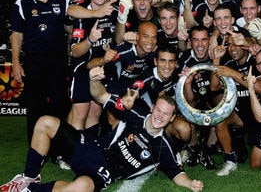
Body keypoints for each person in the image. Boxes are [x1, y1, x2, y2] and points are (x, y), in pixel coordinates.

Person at [0, 67, 204, 192]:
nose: (160, 116)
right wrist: (94, 80)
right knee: (45, 122)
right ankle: (29, 176)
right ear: (152, 108)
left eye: (165, 114)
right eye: (158, 110)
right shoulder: (134, 115)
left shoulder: (164, 146)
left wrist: (190, 183)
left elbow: (176, 173)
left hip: (105, 171)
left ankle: (29, 189)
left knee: (81, 188)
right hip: (90, 149)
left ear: (171, 118)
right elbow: (101, 96)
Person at [10, 0, 72, 143]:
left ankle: (59, 147)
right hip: (34, 62)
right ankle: (36, 145)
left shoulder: (63, 0)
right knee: (35, 105)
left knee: (59, 105)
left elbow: (70, 28)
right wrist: (15, 63)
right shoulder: (22, 3)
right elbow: (16, 34)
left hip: (58, 62)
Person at [210, 34, 261, 176]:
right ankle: (230, 161)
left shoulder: (255, 61)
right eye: (229, 45)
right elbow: (213, 87)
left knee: (256, 165)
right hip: (241, 115)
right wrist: (216, 60)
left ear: (244, 45)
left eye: (236, 44)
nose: (232, 48)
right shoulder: (230, 64)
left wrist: (234, 74)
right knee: (220, 118)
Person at [67, 0, 119, 133]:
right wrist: (90, 39)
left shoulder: (114, 12)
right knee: (80, 113)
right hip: (82, 69)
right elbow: (75, 52)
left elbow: (117, 38)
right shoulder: (81, 15)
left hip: (103, 68)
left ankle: (87, 153)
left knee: (95, 113)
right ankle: (70, 155)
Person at [178, 25, 220, 170]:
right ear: (190, 42)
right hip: (194, 99)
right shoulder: (184, 59)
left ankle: (207, 152)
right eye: (196, 40)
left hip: (212, 98)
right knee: (188, 110)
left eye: (204, 40)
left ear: (210, 41)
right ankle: (194, 148)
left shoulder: (217, 55)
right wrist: (188, 83)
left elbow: (220, 88)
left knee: (220, 108)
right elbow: (188, 100)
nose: (200, 44)